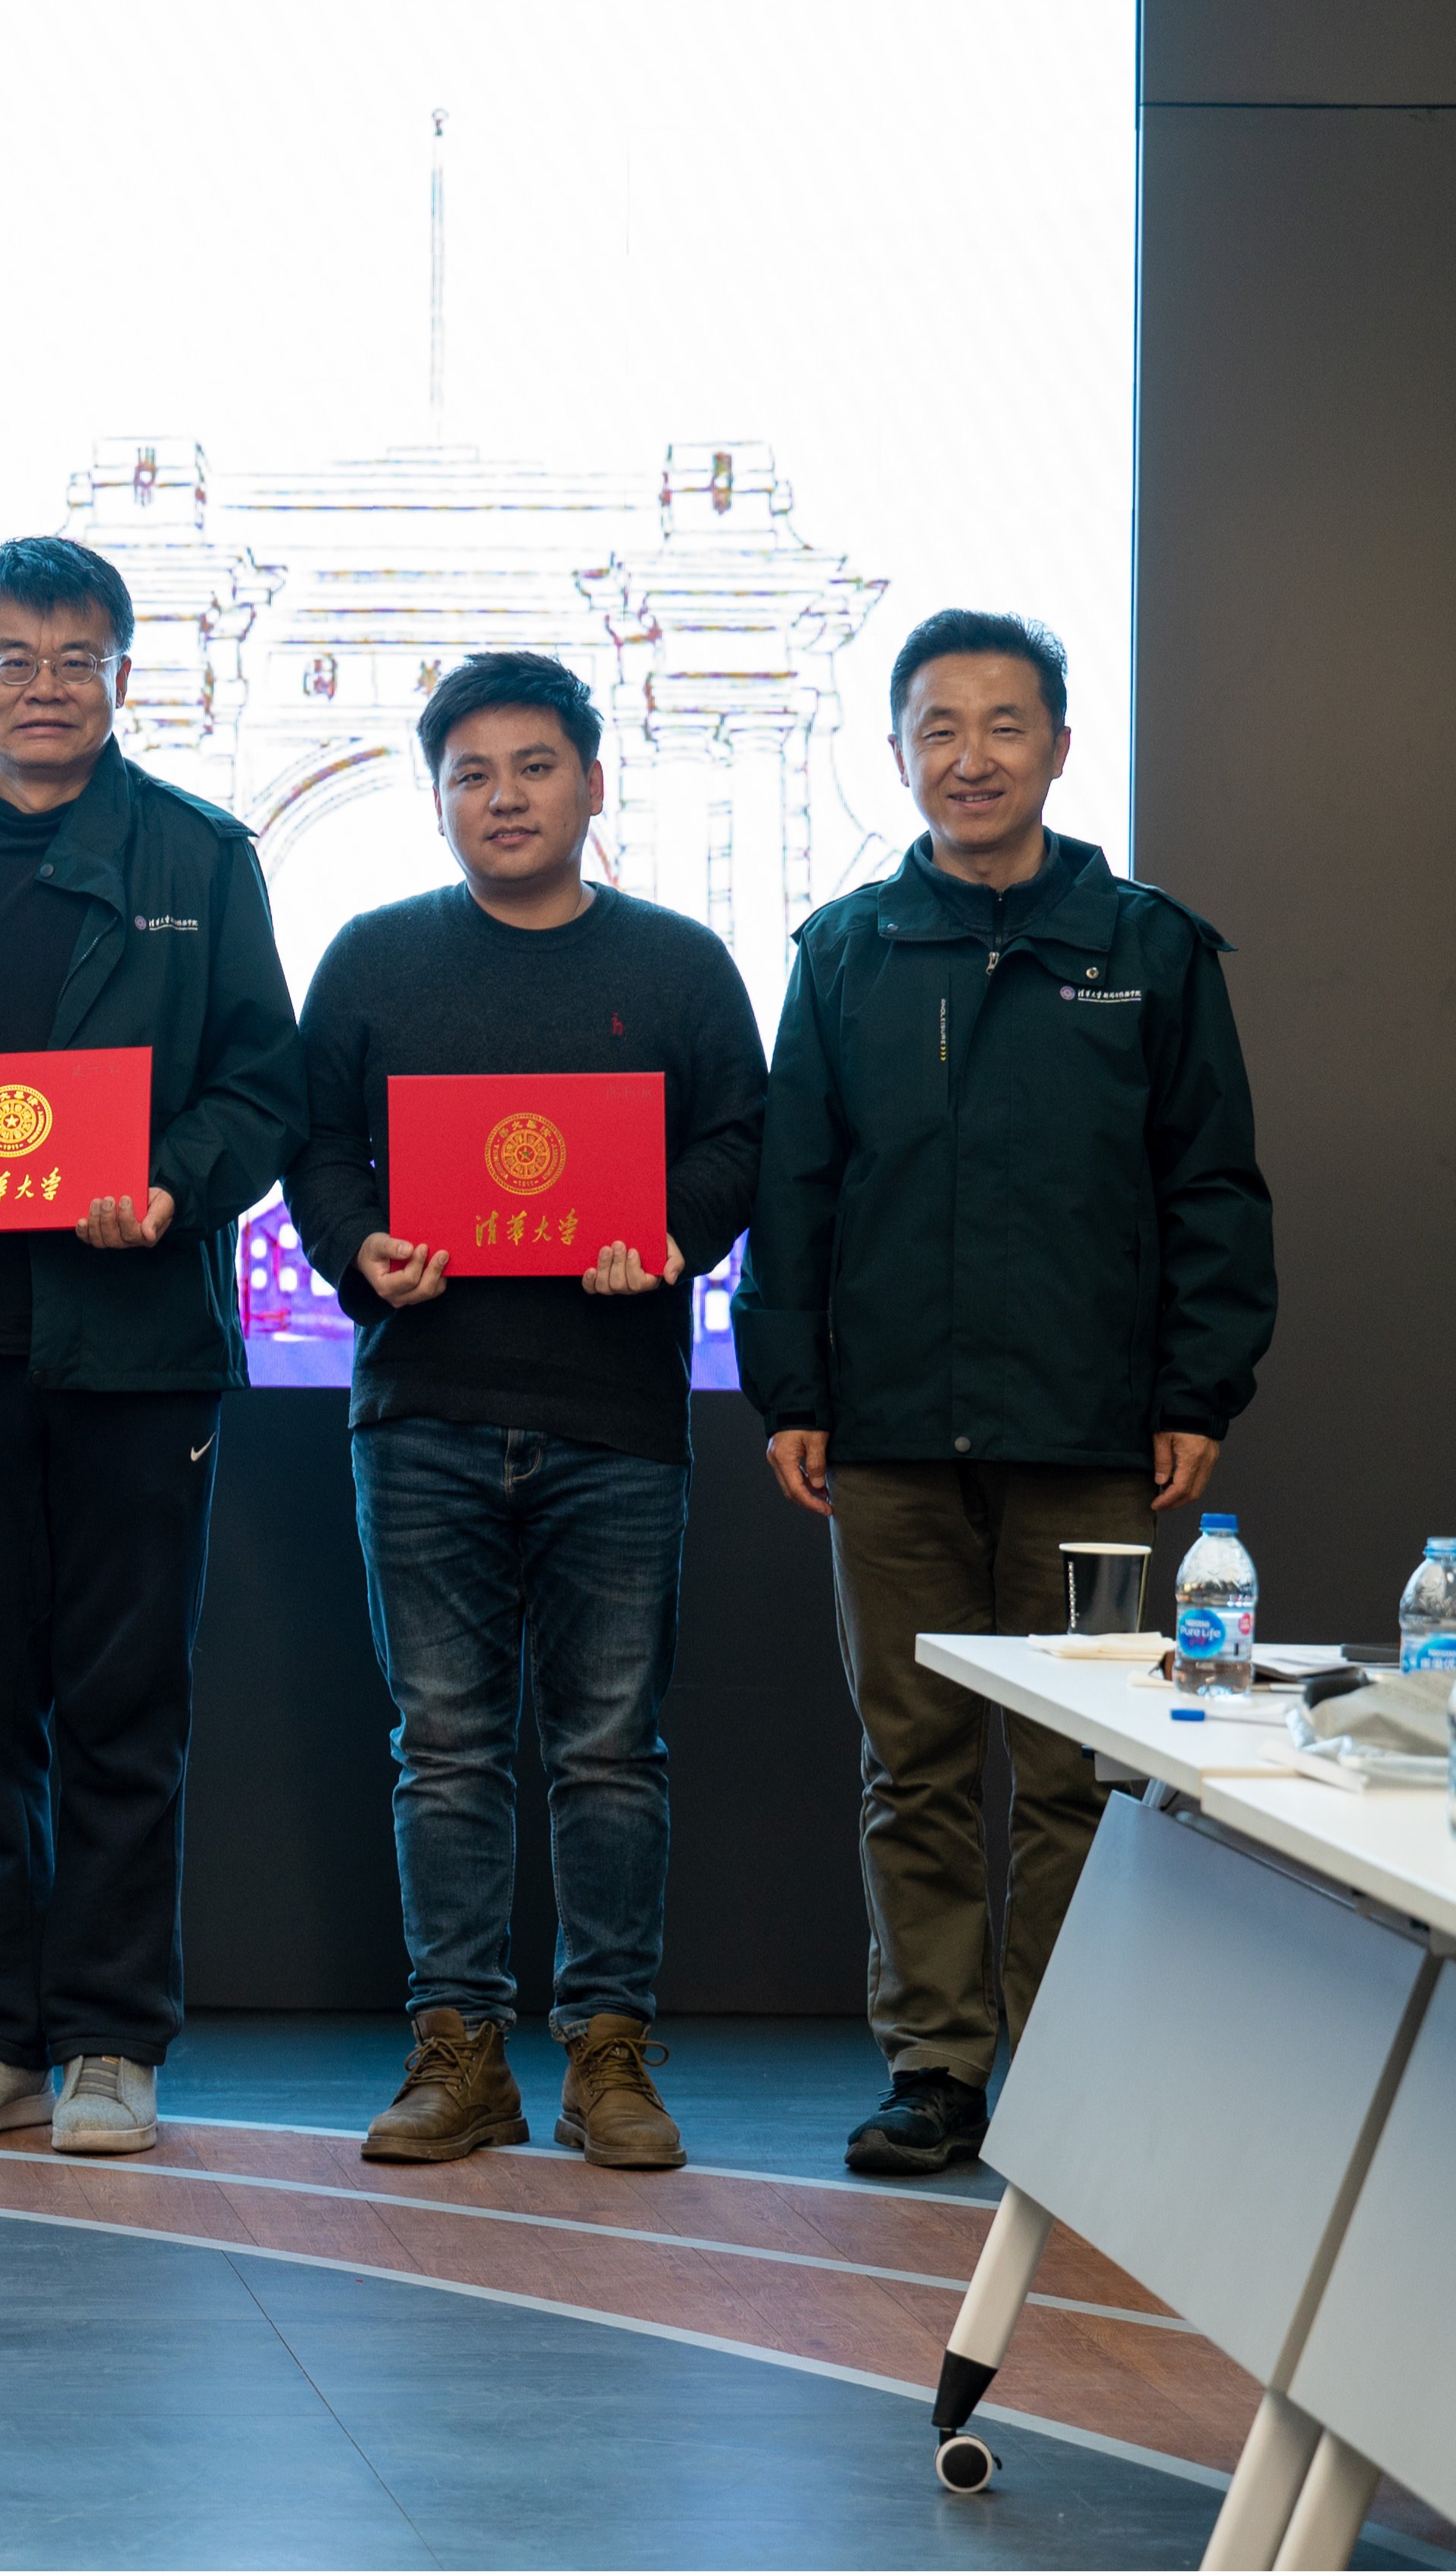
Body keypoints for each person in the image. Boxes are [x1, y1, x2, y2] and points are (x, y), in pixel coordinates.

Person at [742, 607, 1273, 2176]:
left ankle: (1062, 2079)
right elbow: (794, 1189)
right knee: (909, 1765)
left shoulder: (1148, 948)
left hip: (1086, 1430)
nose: (968, 758)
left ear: (1057, 745)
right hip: (889, 1432)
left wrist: (1195, 1388)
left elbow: (1211, 1187)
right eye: (937, 728)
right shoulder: (844, 950)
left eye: (1001, 725)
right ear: (895, 751)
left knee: (1073, 1770)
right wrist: (791, 1389)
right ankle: (935, 2070)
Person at [0, 535, 304, 2160]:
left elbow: (263, 1085)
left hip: (135, 1342)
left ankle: (111, 2038)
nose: (44, 688)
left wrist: (171, 1181)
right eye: (12, 658)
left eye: (76, 659)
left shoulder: (201, 858)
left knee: (122, 1703)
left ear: (122, 674)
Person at [282, 651, 766, 2171]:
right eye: (471, 774)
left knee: (610, 1748)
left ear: (592, 783)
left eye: (534, 766)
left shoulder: (679, 964)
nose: (504, 797)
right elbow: (314, 1147)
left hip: (613, 1414)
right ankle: (459, 2053)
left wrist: (671, 1231)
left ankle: (607, 2055)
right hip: (419, 1405)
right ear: (435, 800)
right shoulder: (372, 958)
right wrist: (358, 1246)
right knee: (443, 1746)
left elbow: (740, 1138)